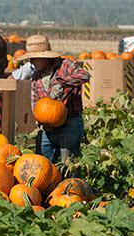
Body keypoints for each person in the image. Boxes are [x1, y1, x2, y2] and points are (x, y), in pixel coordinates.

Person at [17, 35, 90, 164]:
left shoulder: (65, 65)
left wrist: (62, 84)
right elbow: (35, 101)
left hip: (69, 123)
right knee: (42, 165)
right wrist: (40, 120)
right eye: (30, 59)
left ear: (45, 57)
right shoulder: (36, 75)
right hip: (47, 127)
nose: (31, 62)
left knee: (67, 166)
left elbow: (84, 76)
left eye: (34, 58)